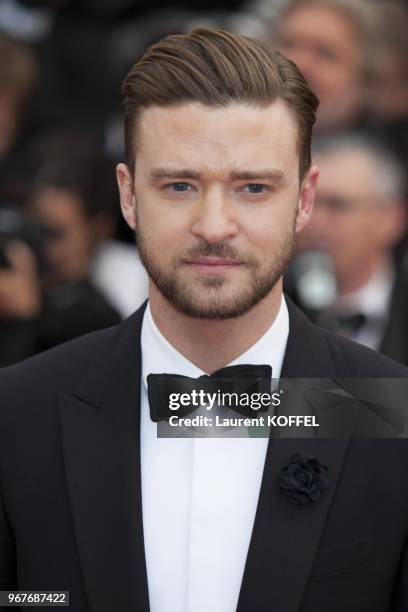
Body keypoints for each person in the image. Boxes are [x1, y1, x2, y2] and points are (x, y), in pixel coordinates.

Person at [0, 28, 407, 612]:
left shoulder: (394, 418)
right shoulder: (17, 416)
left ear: (304, 200)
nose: (214, 225)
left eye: (253, 188)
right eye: (180, 185)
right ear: (129, 195)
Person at [288, 133, 408, 364]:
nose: (314, 222)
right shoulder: (266, 305)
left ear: (390, 220)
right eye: (305, 204)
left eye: (337, 206)